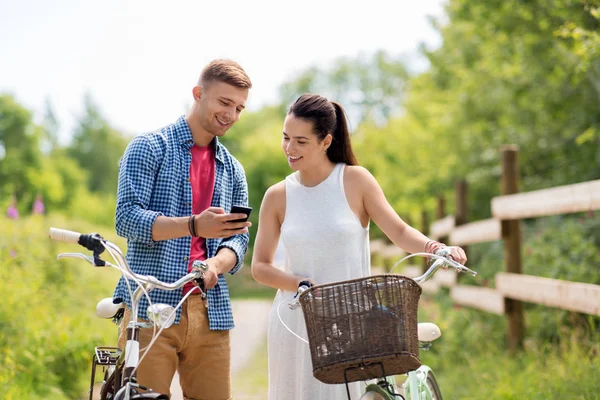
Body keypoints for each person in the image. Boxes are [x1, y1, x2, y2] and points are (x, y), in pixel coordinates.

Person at [250, 93, 467, 400]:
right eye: (286, 138)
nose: (289, 148)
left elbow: (400, 230)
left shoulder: (355, 181)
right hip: (296, 320)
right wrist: (298, 283)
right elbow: (260, 266)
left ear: (326, 141)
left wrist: (435, 247)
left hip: (350, 319)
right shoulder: (277, 195)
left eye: (301, 141)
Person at [113, 59, 253, 399]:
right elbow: (126, 219)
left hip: (211, 312)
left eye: (239, 108)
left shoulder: (233, 169)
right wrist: (194, 225)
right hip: (150, 305)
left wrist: (215, 265)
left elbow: (239, 237)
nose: (231, 115)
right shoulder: (149, 147)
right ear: (198, 94)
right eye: (224, 102)